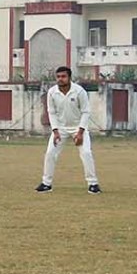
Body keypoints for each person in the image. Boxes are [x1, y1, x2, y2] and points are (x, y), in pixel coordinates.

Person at [36, 66, 100, 194]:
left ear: (69, 78)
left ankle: (93, 184)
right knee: (50, 153)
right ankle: (46, 183)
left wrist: (80, 132)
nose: (60, 79)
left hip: (78, 127)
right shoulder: (52, 92)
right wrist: (55, 131)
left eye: (63, 77)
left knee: (86, 153)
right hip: (60, 128)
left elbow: (86, 111)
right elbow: (51, 112)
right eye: (58, 77)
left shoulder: (79, 91)